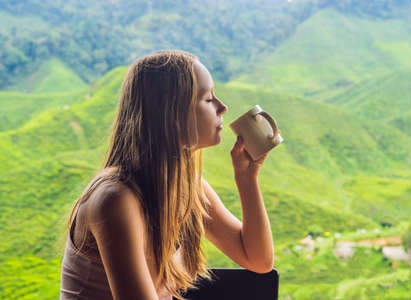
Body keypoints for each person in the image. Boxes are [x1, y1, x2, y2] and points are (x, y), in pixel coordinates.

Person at [60, 50, 275, 300]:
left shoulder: (186, 187)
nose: (222, 107)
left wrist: (247, 179)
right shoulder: (116, 200)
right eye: (207, 99)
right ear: (171, 114)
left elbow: (258, 260)